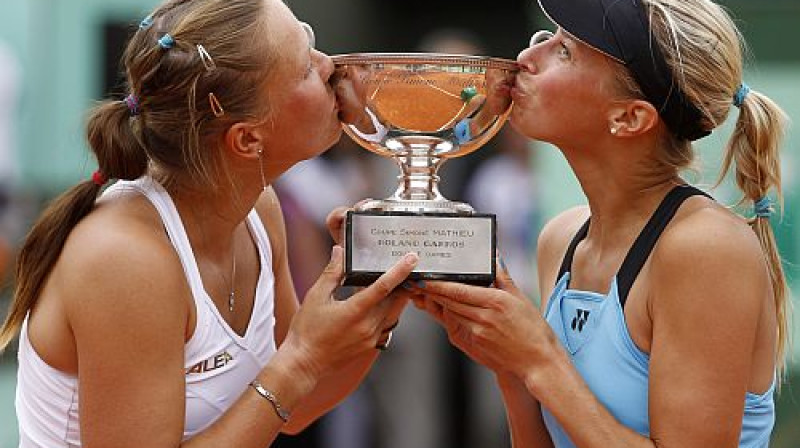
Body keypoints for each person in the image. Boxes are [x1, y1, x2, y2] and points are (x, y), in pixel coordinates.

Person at [0, 0, 419, 447]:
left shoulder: (260, 210)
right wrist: (299, 357)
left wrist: (378, 306)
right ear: (247, 138)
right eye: (304, 68)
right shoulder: (123, 259)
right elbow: (291, 376)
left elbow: (292, 408)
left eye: (312, 43)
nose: (330, 66)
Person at [409, 0, 789, 447]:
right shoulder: (561, 238)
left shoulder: (705, 248)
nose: (527, 59)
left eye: (565, 51)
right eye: (543, 39)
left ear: (629, 117)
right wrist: (509, 366)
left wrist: (539, 358)